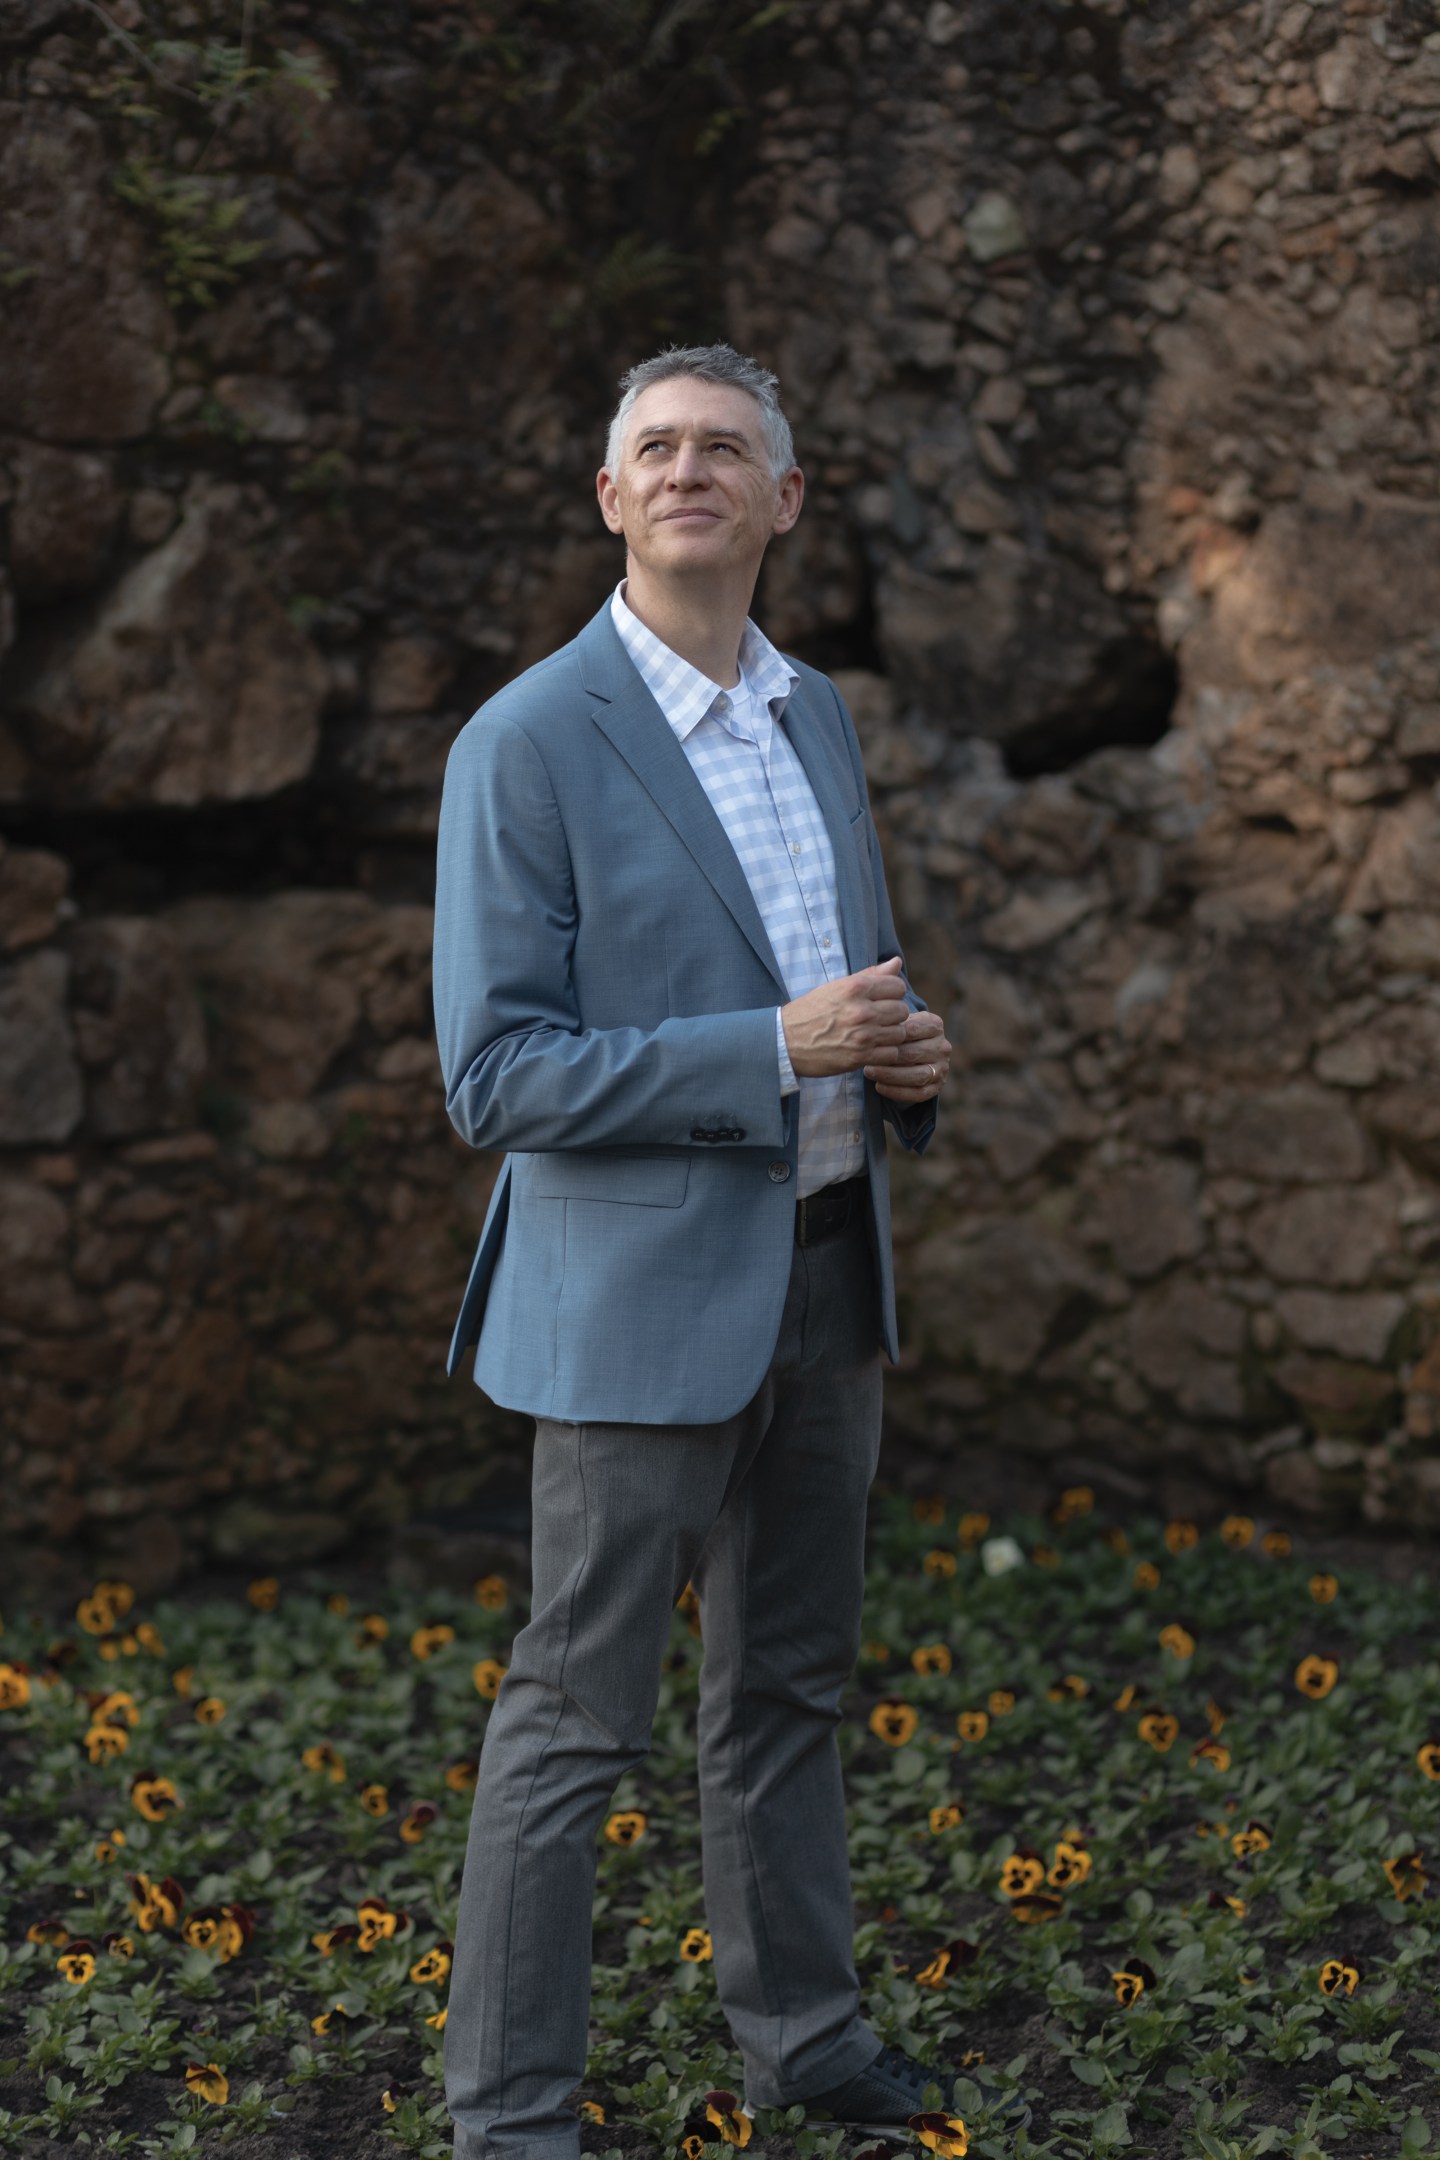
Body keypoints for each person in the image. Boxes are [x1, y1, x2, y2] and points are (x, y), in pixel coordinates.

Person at [433, 343, 956, 2160]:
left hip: (827, 1266)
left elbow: (840, 989)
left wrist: (899, 1065)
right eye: (651, 448)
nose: (686, 471)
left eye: (724, 448)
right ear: (609, 498)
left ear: (782, 500)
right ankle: (510, 2120)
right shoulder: (525, 740)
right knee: (578, 1716)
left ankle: (804, 2041)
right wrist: (778, 1052)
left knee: (791, 1689)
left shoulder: (814, 714)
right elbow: (495, 1073)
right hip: (636, 1306)